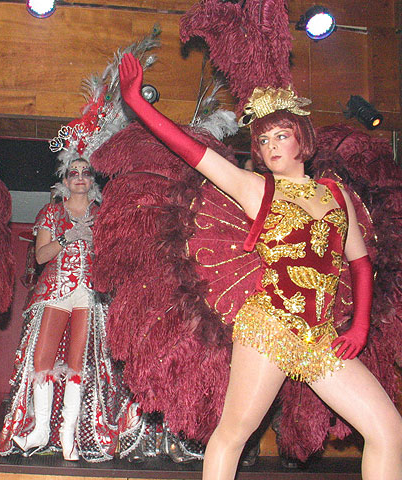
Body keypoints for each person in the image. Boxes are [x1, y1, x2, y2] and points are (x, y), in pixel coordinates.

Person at [118, 52, 402, 479]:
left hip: (320, 337)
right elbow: (191, 151)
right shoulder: (255, 189)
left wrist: (359, 325)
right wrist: (138, 104)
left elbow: (360, 263)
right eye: (263, 140)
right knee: (234, 433)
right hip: (269, 329)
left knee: (388, 430)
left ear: (302, 139)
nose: (271, 147)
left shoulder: (335, 193)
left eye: (281, 136)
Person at [0, 157, 123, 461]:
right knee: (42, 359)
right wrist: (68, 237)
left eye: (86, 172)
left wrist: (97, 243)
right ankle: (41, 428)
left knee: (78, 364)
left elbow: (113, 261)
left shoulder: (102, 216)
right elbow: (41, 257)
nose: (79, 177)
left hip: (89, 293)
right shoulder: (52, 212)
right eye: (73, 173)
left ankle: (68, 434)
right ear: (64, 181)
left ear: (92, 180)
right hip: (55, 290)